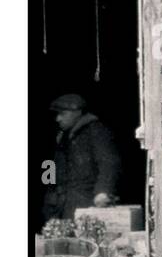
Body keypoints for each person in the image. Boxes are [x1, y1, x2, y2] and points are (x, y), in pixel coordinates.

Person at [42, 93, 121, 222]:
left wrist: (103, 191)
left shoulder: (95, 131)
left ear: (77, 112)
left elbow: (109, 162)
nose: (58, 119)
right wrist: (50, 195)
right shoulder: (62, 137)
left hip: (86, 204)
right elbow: (50, 167)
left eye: (62, 114)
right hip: (62, 206)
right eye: (57, 114)